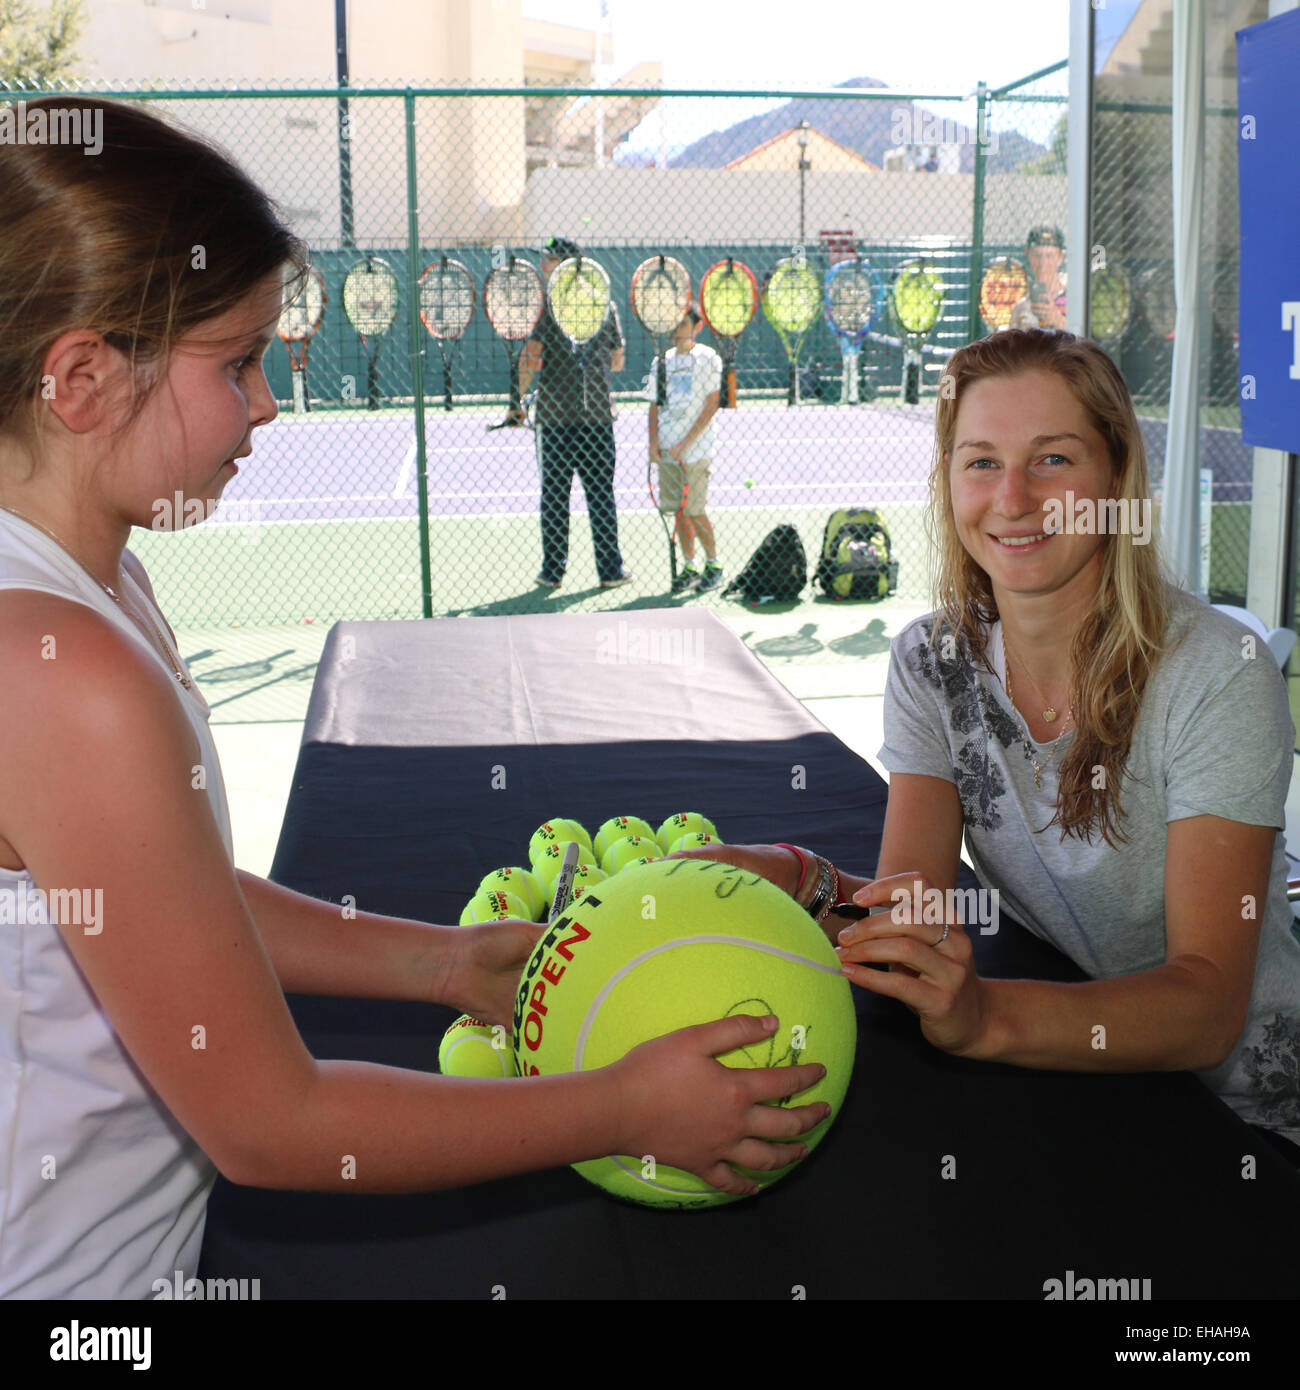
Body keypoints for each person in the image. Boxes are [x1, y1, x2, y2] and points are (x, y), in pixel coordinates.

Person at [0, 98, 831, 1298]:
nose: (272, 403)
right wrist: (618, 1105)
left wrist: (443, 966)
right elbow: (272, 1123)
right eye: (237, 364)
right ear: (80, 377)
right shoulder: (64, 672)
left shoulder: (97, 585)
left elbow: (159, 896)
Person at [678, 328, 1300, 1167]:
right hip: (1084, 1085)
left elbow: (1207, 1006)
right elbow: (916, 912)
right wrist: (792, 879)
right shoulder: (930, 663)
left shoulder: (1218, 674)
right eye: (980, 462)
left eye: (1051, 460)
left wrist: (983, 1017)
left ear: (1115, 479)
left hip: (1253, 1117)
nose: (1012, 497)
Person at [516, 235, 633, 591]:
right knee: (600, 495)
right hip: (596, 419)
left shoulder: (550, 307)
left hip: (555, 423)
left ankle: (553, 572)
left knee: (554, 497)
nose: (543, 265)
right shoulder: (604, 304)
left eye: (549, 260)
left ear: (566, 264)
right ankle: (610, 572)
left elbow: (530, 358)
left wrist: (516, 400)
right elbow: (618, 359)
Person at [645, 304, 724, 593]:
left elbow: (712, 403)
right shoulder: (661, 363)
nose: (677, 331)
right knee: (679, 512)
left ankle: (714, 564)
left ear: (696, 328)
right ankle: (690, 565)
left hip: (695, 452)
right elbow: (654, 406)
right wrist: (654, 444)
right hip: (667, 452)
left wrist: (685, 444)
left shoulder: (708, 359)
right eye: (674, 325)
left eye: (683, 325)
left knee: (695, 510)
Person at [1009, 224, 1068, 331]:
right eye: (1037, 255)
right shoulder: (1020, 306)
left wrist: (1058, 321)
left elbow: (1086, 338)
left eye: (1049, 256)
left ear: (1061, 257)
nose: (1043, 264)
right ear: (1028, 255)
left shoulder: (1073, 298)